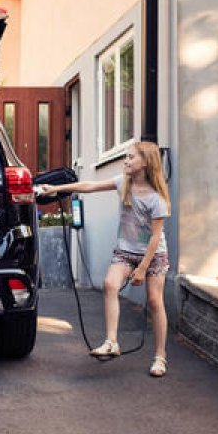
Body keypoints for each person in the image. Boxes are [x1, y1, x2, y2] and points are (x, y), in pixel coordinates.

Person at [36, 140, 171, 377]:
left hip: (153, 255)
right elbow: (90, 185)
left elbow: (155, 237)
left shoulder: (156, 199)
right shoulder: (123, 184)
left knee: (154, 301)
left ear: (145, 162)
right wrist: (58, 189)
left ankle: (160, 357)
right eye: (125, 157)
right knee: (110, 284)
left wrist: (142, 269)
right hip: (125, 251)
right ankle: (111, 342)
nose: (126, 161)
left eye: (130, 157)